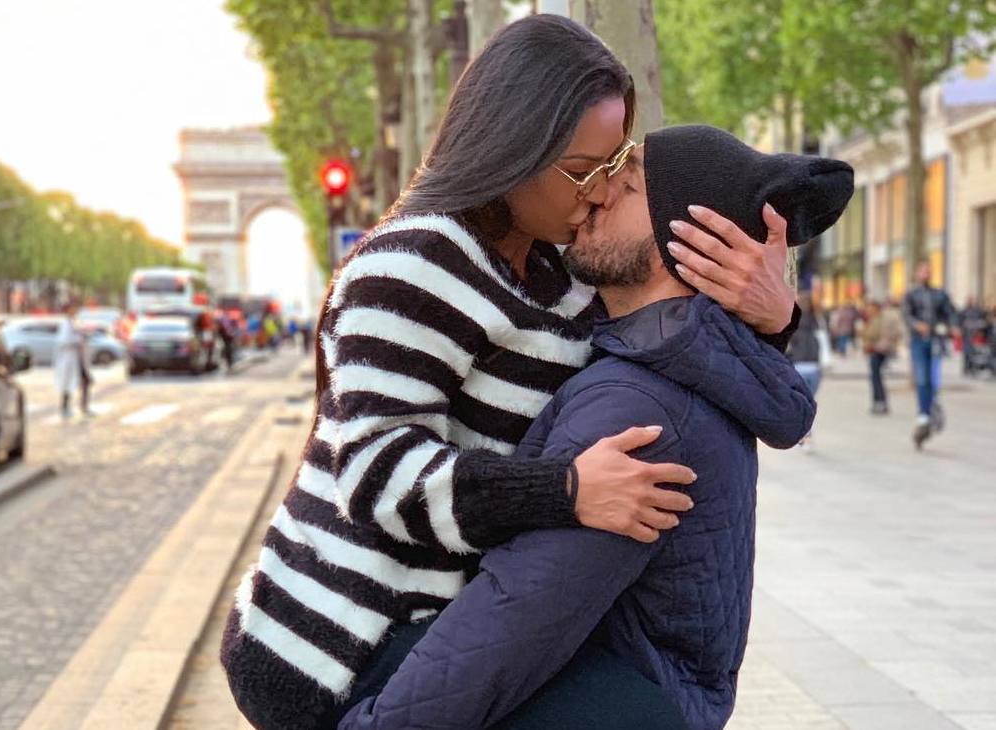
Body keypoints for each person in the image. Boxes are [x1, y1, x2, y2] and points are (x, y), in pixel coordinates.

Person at [220, 16, 800, 730]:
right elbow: (377, 473)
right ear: (514, 148)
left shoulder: (568, 281)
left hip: (447, 611)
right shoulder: (409, 266)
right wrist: (563, 490)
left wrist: (771, 320)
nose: (599, 192)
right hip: (335, 638)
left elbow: (705, 369)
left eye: (615, 166)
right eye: (584, 170)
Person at [336, 125, 851, 730]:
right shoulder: (680, 363)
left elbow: (514, 617)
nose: (596, 194)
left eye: (625, 185)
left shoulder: (634, 407)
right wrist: (777, 317)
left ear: (684, 240)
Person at [903, 260, 958, 448]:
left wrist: (953, 326)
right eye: (923, 270)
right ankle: (924, 414)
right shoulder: (912, 294)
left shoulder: (939, 294)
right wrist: (917, 325)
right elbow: (907, 315)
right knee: (923, 379)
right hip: (919, 342)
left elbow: (950, 312)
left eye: (929, 271)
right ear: (917, 273)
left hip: (935, 341)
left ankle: (929, 411)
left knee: (933, 381)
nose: (926, 273)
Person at [786, 295, 824, 450]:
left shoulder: (791, 323)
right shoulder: (817, 322)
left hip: (799, 366)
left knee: (801, 403)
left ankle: (804, 435)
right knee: (808, 402)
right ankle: (806, 435)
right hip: (814, 367)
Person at [861, 299, 904, 414]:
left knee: (876, 377)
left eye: (871, 308)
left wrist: (877, 347)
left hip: (879, 350)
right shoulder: (872, 319)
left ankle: (880, 402)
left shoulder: (883, 319)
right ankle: (878, 401)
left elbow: (887, 335)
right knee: (875, 376)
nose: (868, 311)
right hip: (874, 350)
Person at [55, 301, 93, 418]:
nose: (75, 311)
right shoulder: (65, 323)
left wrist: (83, 336)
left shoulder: (75, 322)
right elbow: (63, 340)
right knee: (67, 383)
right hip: (69, 358)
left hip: (78, 357)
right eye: (73, 309)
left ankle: (84, 407)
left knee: (85, 381)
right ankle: (65, 407)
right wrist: (78, 339)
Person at [961, 296, 988, 376]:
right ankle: (966, 368)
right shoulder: (964, 311)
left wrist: (980, 330)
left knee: (974, 353)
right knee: (966, 353)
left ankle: (973, 368)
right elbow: (960, 321)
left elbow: (983, 321)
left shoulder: (978, 311)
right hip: (966, 335)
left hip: (975, 336)